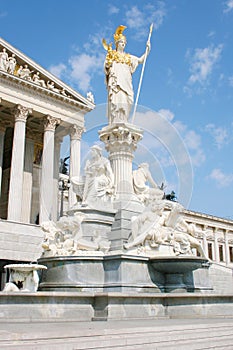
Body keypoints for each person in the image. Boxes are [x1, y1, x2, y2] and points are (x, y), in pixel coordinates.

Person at [103, 25, 151, 124]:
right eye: (121, 42)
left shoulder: (128, 57)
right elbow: (106, 67)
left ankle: (123, 119)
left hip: (126, 82)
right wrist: (108, 64)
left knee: (127, 99)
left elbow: (141, 60)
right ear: (117, 43)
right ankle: (116, 120)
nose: (123, 44)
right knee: (117, 99)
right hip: (116, 83)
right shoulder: (112, 56)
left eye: (124, 43)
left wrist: (147, 50)